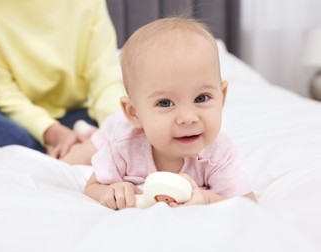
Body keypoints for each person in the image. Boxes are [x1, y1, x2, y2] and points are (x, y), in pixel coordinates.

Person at [84, 17, 257, 210]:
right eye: (165, 103)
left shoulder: (217, 155)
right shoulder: (122, 145)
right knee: (81, 153)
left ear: (222, 97)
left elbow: (247, 203)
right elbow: (92, 186)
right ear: (135, 113)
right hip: (113, 126)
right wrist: (112, 190)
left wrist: (208, 199)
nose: (188, 118)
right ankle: (79, 135)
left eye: (201, 98)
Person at [0, 0, 124, 163]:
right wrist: (54, 133)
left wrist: (119, 129)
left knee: (138, 115)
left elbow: (105, 79)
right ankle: (72, 149)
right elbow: (1, 92)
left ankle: (80, 147)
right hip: (15, 125)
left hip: (78, 118)